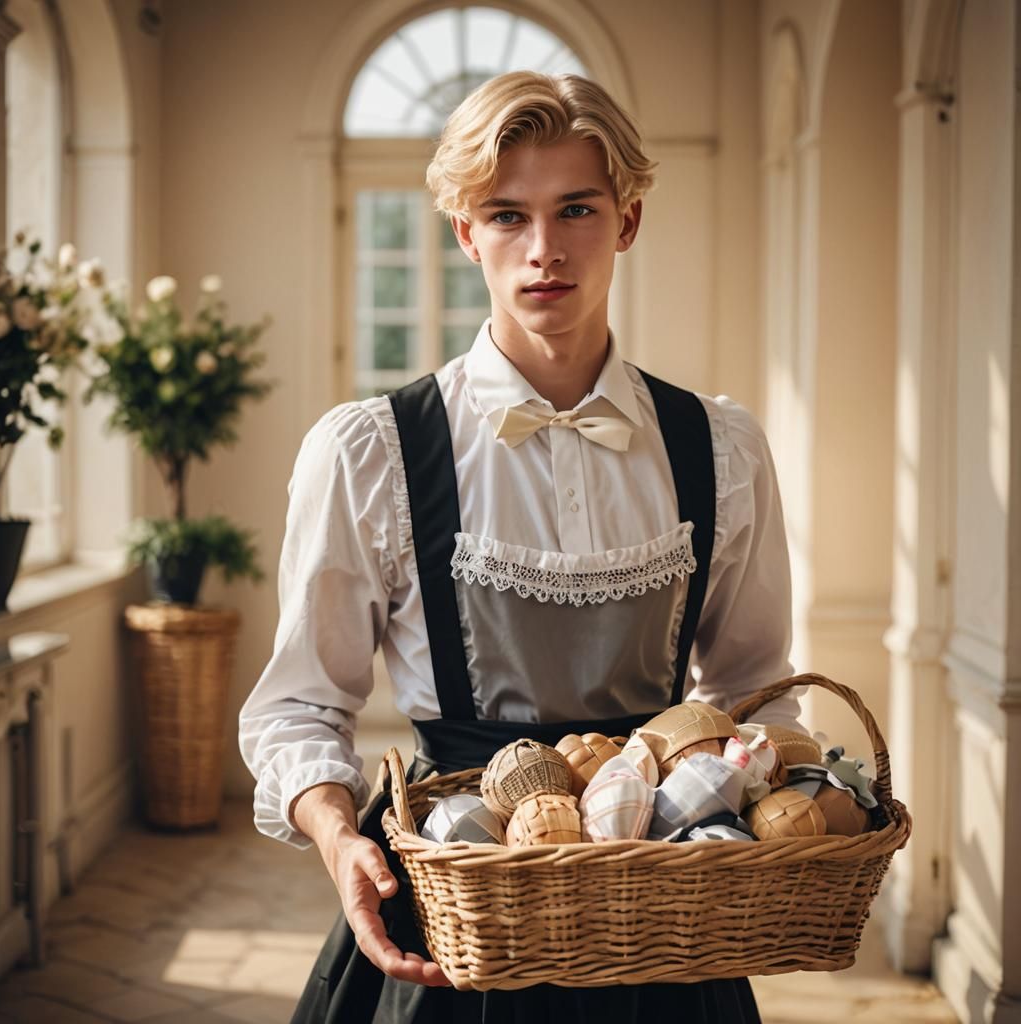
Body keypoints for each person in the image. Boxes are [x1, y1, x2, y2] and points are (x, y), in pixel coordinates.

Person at [239, 70, 803, 1024]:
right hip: (451, 913)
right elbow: (298, 706)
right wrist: (343, 844)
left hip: (655, 918)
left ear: (626, 220)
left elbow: (754, 690)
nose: (544, 250)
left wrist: (785, 796)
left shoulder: (721, 448)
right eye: (507, 216)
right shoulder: (369, 451)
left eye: (576, 209)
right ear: (467, 233)